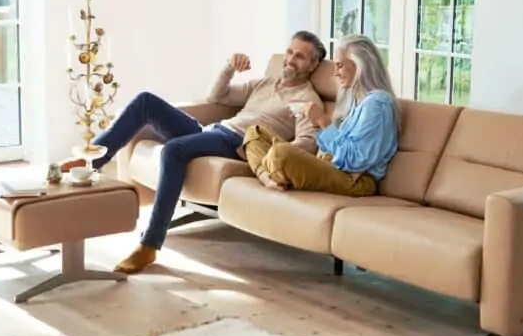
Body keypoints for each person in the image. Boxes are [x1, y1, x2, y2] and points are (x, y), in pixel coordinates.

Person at [60, 30, 327, 274]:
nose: (291, 59)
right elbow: (217, 97)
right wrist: (229, 67)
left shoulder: (306, 100)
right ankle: (92, 160)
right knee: (145, 102)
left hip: (235, 146)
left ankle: (150, 245)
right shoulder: (267, 82)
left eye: (300, 57)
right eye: (290, 52)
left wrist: (269, 153)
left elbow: (306, 142)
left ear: (313, 65)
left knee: (173, 150)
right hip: (213, 131)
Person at [243, 34, 400, 197]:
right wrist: (316, 125)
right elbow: (330, 148)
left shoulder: (378, 104)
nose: (335, 73)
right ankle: (268, 178)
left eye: (339, 66)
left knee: (281, 153)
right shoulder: (356, 99)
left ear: (359, 66)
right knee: (255, 132)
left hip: (356, 179)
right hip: (332, 166)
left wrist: (323, 121)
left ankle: (272, 169)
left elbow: (355, 160)